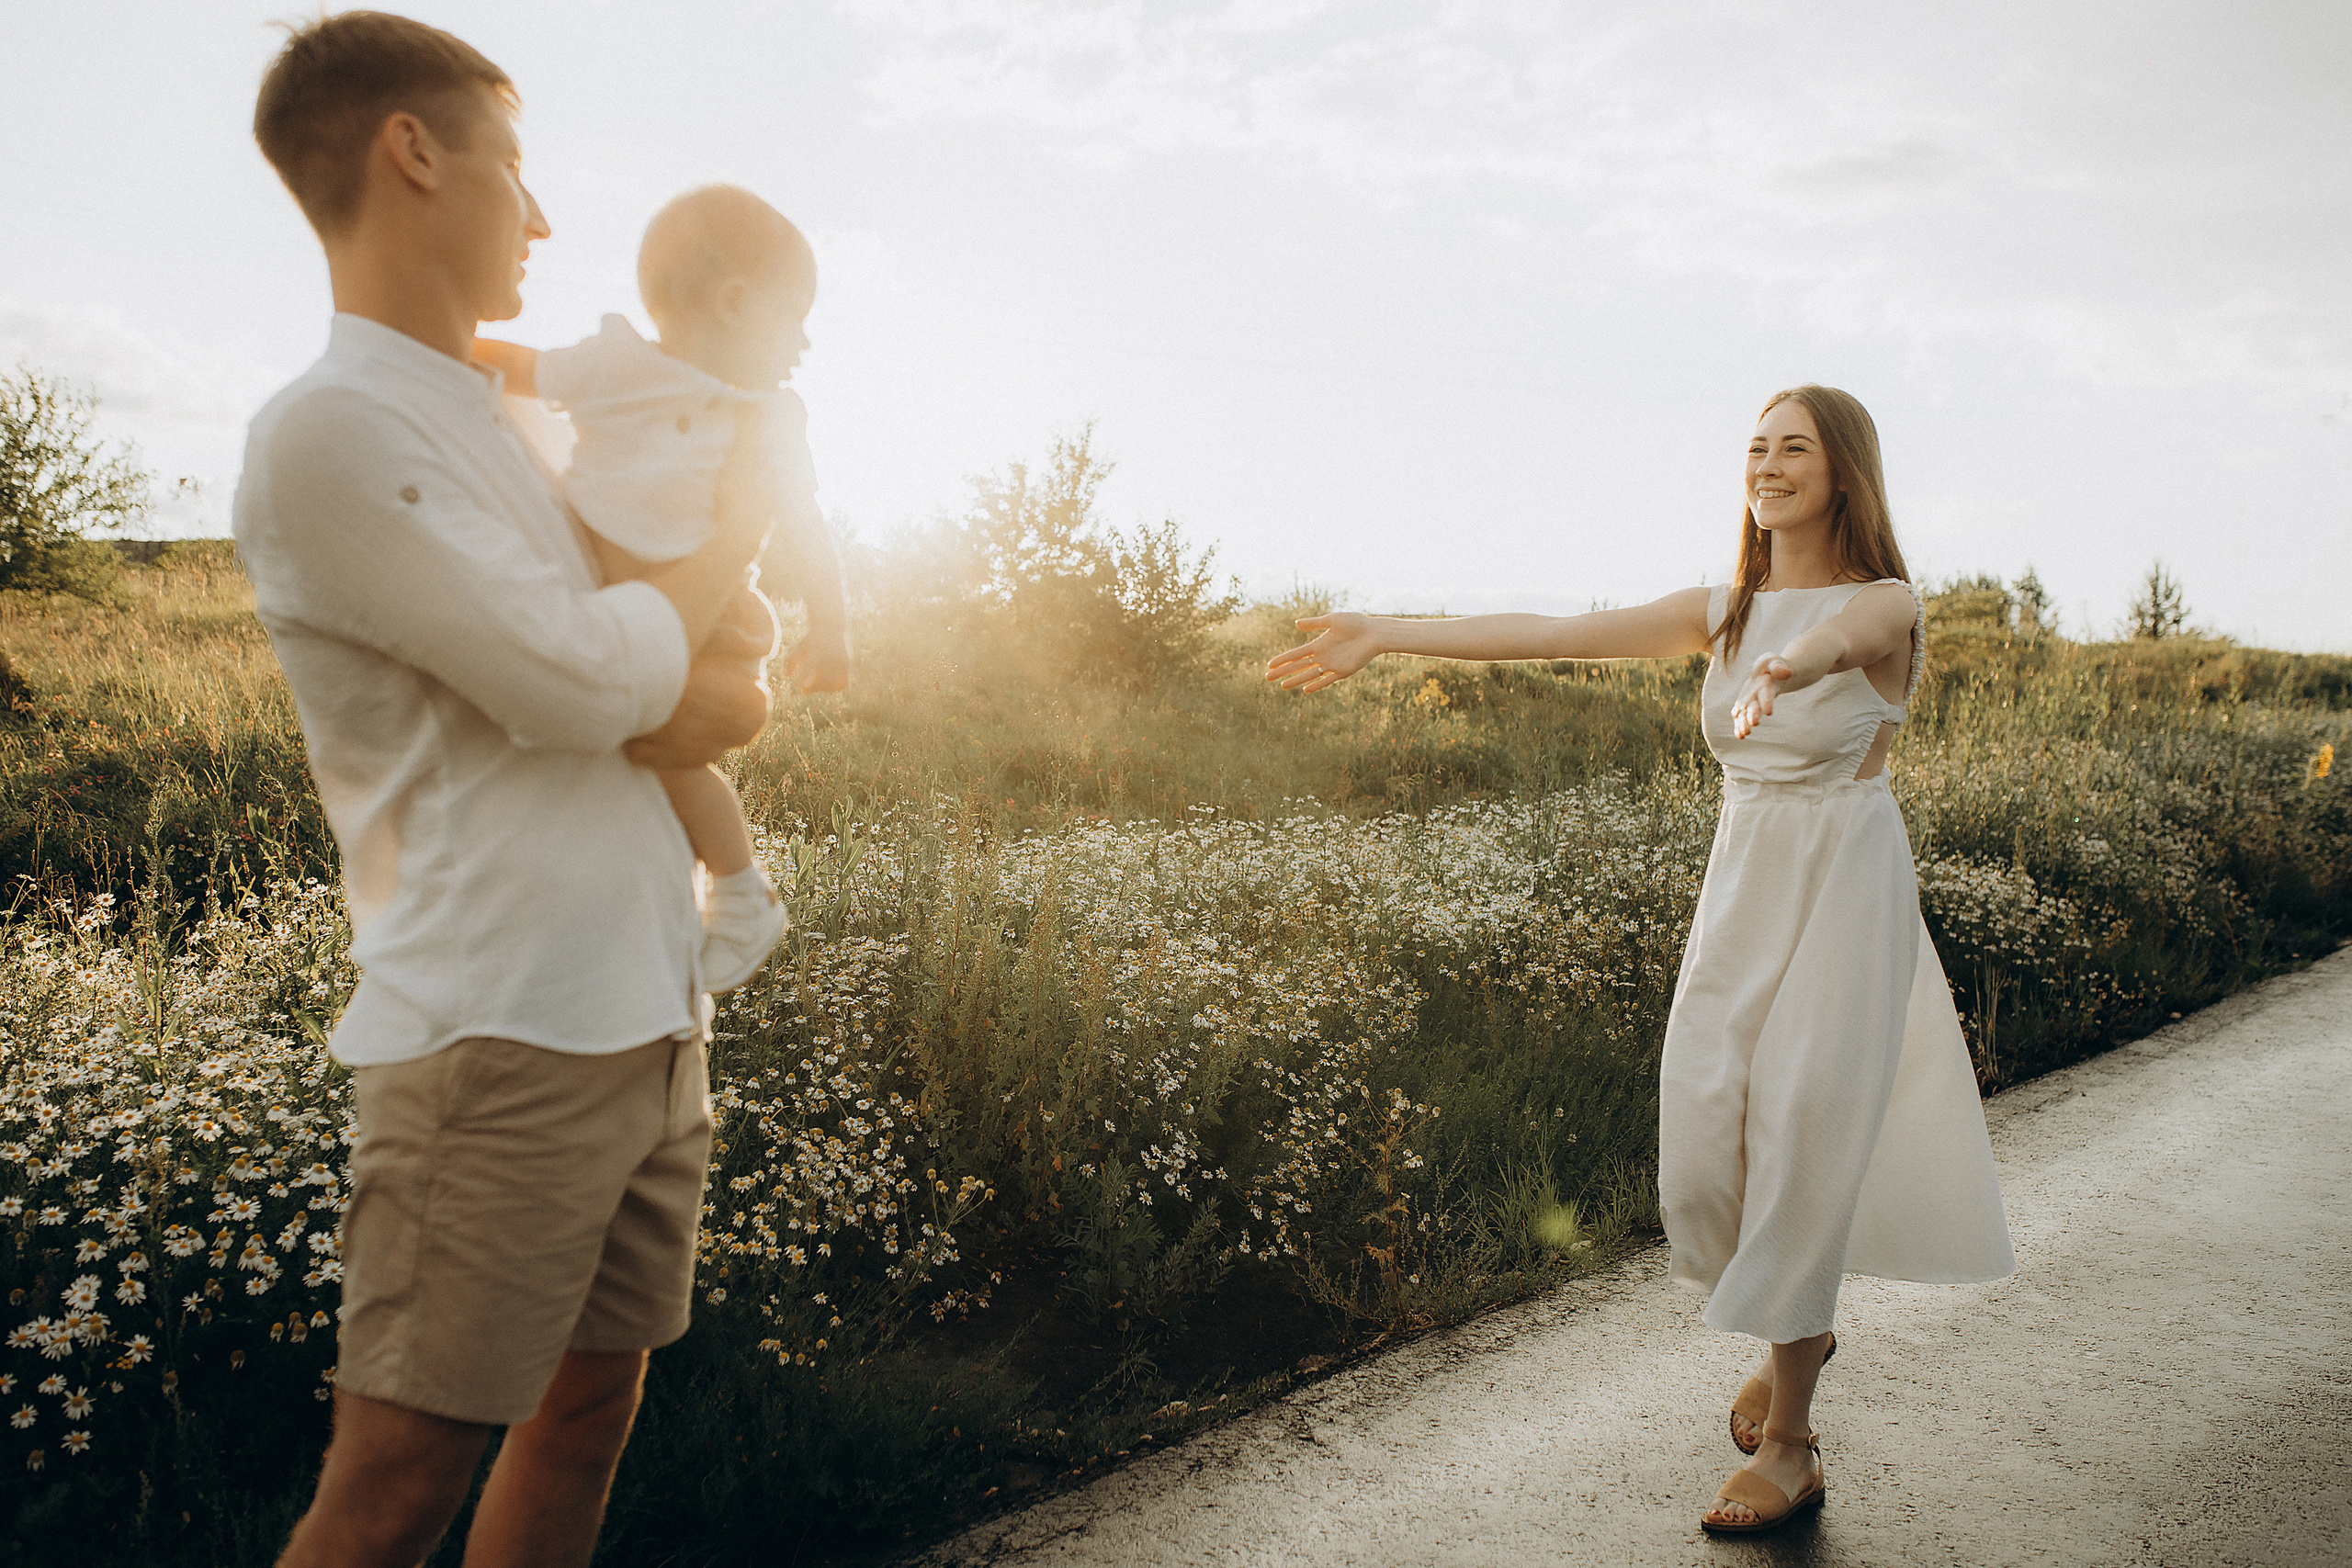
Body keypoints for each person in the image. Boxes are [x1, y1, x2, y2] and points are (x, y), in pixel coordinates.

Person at [1267, 384, 2014, 1535]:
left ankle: (1791, 1440)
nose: (1766, 464)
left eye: (1793, 447)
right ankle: (1794, 1330)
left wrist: (1793, 665)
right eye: (1755, 446)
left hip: (1845, 891)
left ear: (1843, 470)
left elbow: (1847, 640)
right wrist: (1387, 631)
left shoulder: (1885, 602)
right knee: (1704, 1149)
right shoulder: (1720, 609)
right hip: (1742, 895)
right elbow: (1550, 632)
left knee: (1802, 1132)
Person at [233, 14, 780, 1566]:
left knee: (587, 1415)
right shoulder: (331, 431)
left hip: (648, 1005)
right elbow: (582, 681)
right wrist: (741, 523)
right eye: (517, 169)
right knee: (398, 1486)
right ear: (415, 151)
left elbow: (691, 678)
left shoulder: (527, 421)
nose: (542, 218)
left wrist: (724, 678)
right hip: (498, 1037)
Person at [473, 183, 851, 991]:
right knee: (628, 749)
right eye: (798, 314)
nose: (809, 341)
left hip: (716, 626)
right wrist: (438, 343)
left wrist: (833, 626)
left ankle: (742, 893)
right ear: (736, 302)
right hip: (616, 609)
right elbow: (520, 366)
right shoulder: (613, 366)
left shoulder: (771, 416)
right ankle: (668, 899)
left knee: (673, 754)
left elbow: (808, 528)